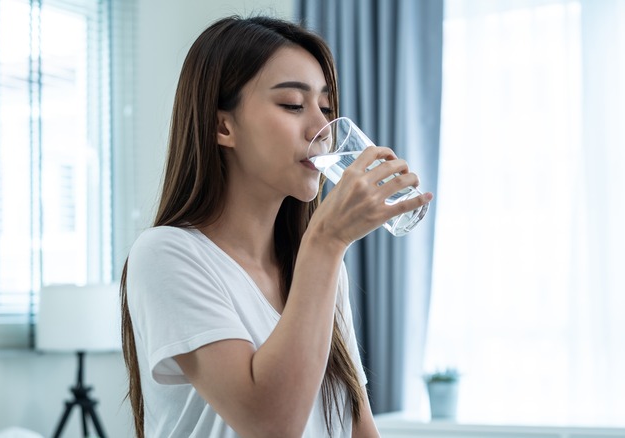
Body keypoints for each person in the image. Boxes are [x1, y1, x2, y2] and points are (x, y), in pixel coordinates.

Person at [119, 15, 432, 438]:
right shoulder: (166, 255)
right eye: (292, 104)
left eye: (326, 107)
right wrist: (326, 241)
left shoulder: (319, 269)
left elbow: (356, 425)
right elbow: (272, 425)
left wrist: (323, 251)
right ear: (222, 126)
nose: (321, 129)